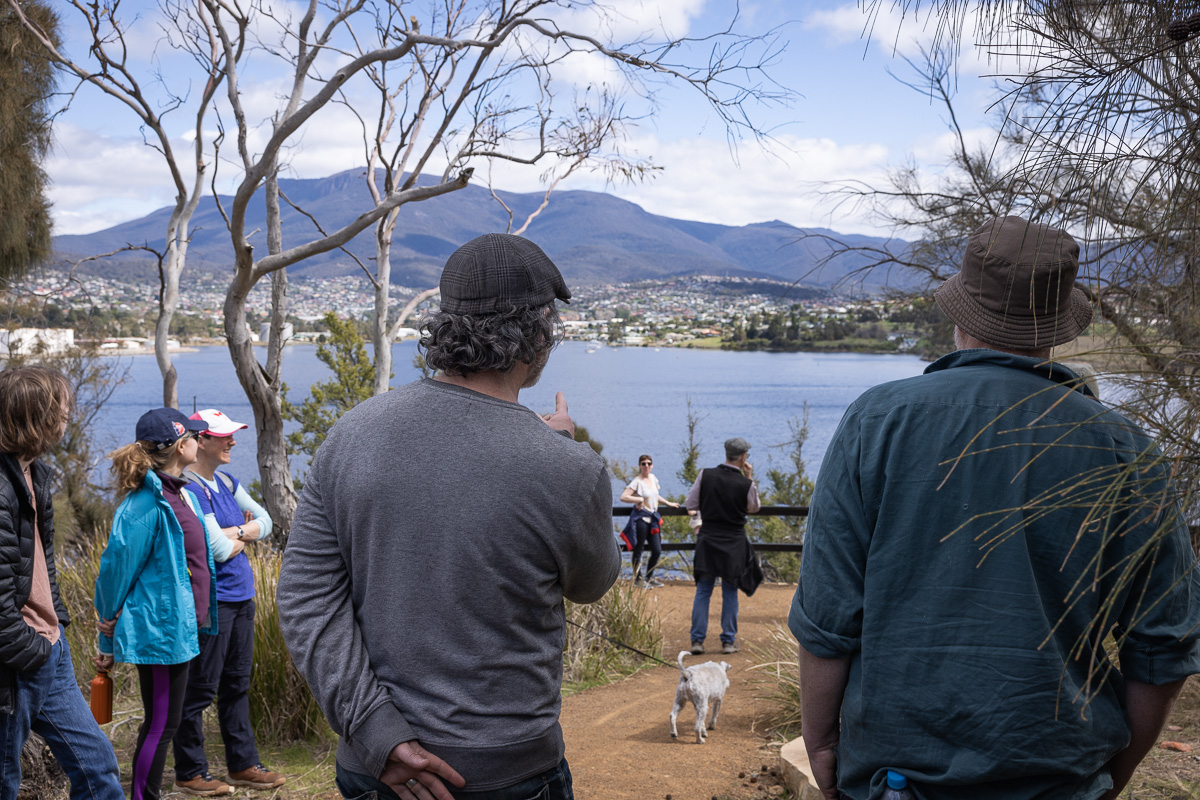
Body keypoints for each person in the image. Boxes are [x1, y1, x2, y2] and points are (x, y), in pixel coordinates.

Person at [790, 215, 1200, 800]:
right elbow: (1162, 647)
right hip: (1061, 783)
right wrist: (1114, 774)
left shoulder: (877, 422)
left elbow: (828, 619)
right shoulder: (1126, 449)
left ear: (961, 315)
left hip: (897, 780)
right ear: (1056, 327)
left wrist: (822, 744)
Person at [277, 232, 620, 800]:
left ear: (446, 325)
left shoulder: (351, 434)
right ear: (539, 333)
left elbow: (306, 597)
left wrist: (375, 732)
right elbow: (592, 583)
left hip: (374, 768)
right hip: (507, 773)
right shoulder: (565, 467)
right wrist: (555, 448)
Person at [0, 366, 124, 800]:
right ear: (34, 415)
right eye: (61, 407)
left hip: (49, 649)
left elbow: (41, 562)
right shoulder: (1, 485)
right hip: (16, 662)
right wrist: (28, 649)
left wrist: (58, 622)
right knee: (4, 782)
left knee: (97, 767)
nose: (68, 414)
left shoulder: (35, 474)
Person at [95, 408, 223, 800]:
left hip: (181, 628)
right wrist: (105, 640)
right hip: (162, 632)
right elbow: (115, 570)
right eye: (194, 437)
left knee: (166, 721)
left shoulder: (178, 491)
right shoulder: (144, 505)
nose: (200, 441)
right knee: (161, 724)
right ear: (179, 445)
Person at [172, 408, 284, 795]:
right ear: (200, 440)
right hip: (213, 603)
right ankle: (190, 771)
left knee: (237, 684)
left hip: (242, 597)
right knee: (200, 689)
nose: (232, 441)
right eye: (224, 436)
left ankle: (243, 764)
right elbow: (217, 551)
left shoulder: (225, 480)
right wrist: (243, 533)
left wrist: (236, 531)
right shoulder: (187, 488)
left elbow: (267, 522)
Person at [685, 437, 759, 655]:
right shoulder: (745, 484)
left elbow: (691, 503)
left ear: (726, 454)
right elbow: (754, 508)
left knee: (703, 591)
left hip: (708, 540)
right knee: (730, 592)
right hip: (733, 544)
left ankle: (697, 641)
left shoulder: (705, 475)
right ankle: (728, 641)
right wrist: (749, 478)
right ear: (744, 457)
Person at [619, 454, 680, 587]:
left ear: (652, 465)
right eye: (643, 464)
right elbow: (623, 497)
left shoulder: (653, 478)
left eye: (649, 463)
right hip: (641, 520)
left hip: (653, 520)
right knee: (638, 549)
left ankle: (649, 578)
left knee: (657, 550)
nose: (646, 466)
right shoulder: (637, 481)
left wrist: (668, 503)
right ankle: (638, 580)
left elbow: (656, 496)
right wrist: (638, 499)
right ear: (639, 466)